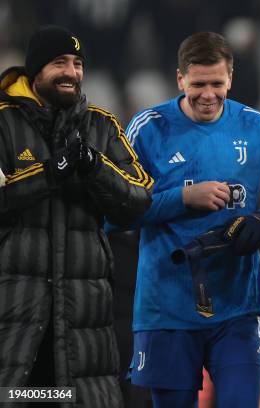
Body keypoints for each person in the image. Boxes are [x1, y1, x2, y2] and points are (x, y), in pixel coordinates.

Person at [124, 31, 260, 408]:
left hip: (238, 306)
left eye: (217, 83)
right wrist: (184, 197)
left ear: (230, 78)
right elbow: (115, 214)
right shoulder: (148, 128)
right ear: (180, 79)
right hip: (167, 307)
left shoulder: (257, 127)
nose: (208, 94)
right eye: (198, 84)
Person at [0, 25, 153, 408]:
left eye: (78, 63)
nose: (71, 71)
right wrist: (53, 172)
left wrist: (91, 165)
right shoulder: (2, 123)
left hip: (85, 321)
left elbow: (140, 197)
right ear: (35, 70)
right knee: (24, 397)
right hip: (16, 315)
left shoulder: (100, 126)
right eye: (59, 62)